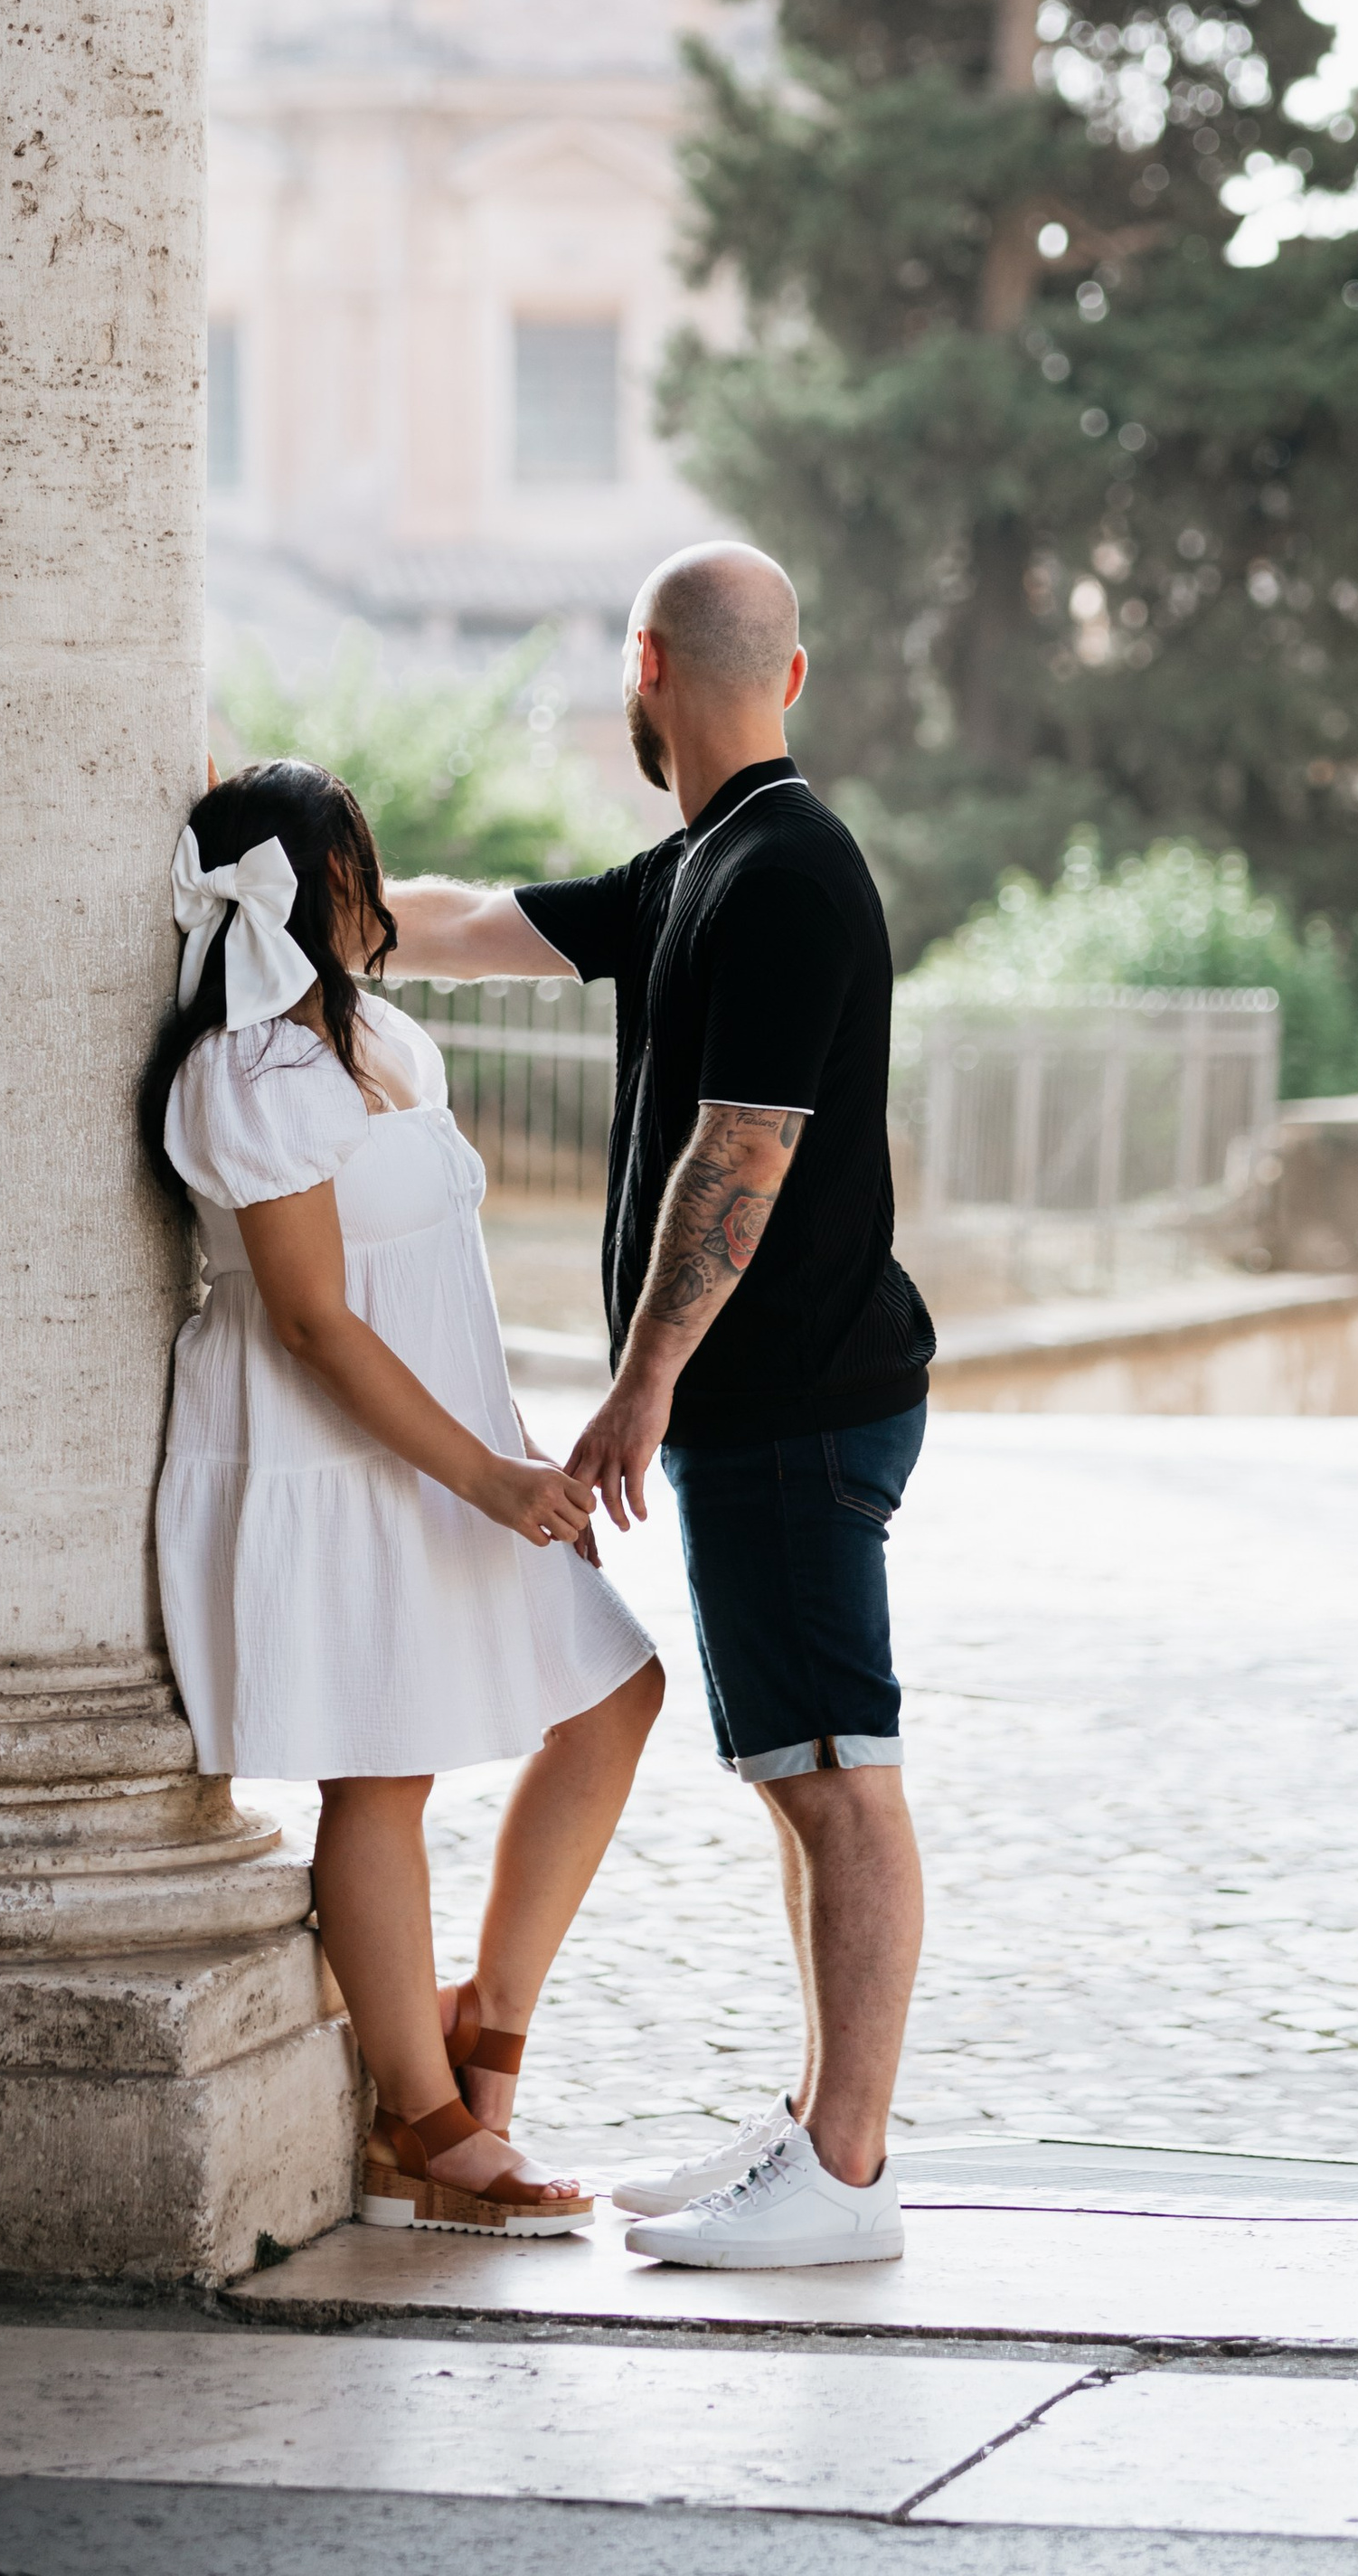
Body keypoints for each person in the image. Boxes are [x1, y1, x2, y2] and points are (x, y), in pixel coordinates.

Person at [382, 544, 934, 2270]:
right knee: (799, 1772)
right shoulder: (702, 865)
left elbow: (742, 1152)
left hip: (790, 1406)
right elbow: (474, 925)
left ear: (644, 668)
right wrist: (306, 893)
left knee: (840, 1776)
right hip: (767, 1411)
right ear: (789, 674)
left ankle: (846, 2175)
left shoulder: (785, 872)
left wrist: (638, 1388)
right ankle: (817, 2133)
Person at [139, 759, 663, 2240]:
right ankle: (425, 2126)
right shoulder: (242, 1076)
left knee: (613, 1693)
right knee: (379, 1778)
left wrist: (500, 1450)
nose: (374, 898)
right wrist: (487, 1473)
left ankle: (479, 2028)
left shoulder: (379, 1045)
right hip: (336, 1460)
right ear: (304, 895)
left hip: (446, 1454)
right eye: (352, 874)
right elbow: (308, 1319)